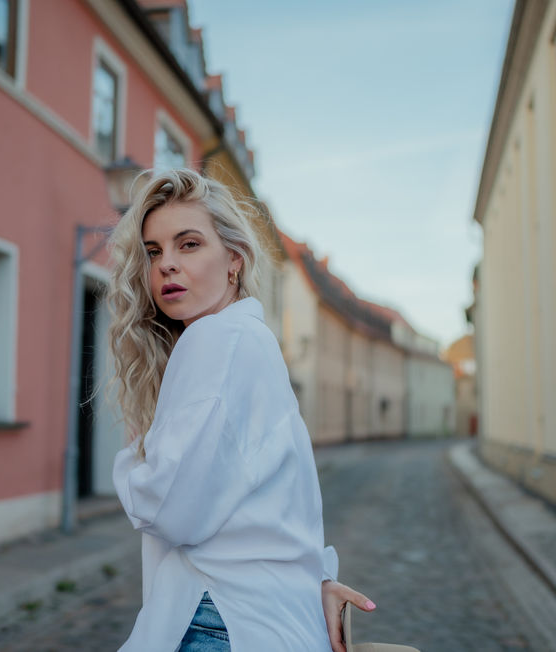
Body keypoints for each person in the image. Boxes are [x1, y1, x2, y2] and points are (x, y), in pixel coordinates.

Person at [108, 168, 374, 651]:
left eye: (188, 244)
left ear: (234, 258)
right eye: (154, 251)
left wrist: (132, 456)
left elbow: (171, 509)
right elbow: (286, 502)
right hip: (269, 614)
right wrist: (312, 578)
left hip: (221, 619)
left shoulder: (217, 339)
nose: (166, 264)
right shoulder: (253, 341)